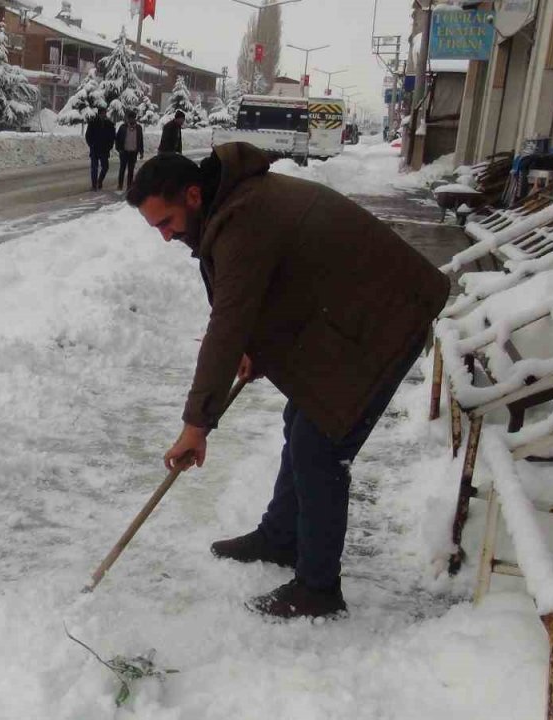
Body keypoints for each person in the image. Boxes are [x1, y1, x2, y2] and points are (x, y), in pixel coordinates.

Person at [124, 144, 449, 620]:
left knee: (320, 446)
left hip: (388, 317)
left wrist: (197, 423)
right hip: (353, 310)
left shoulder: (244, 218)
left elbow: (228, 323)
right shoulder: (233, 207)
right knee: (302, 415)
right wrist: (254, 348)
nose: (166, 237)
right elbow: (263, 292)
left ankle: (318, 589)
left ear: (193, 195)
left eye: (166, 223)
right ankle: (282, 536)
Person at [84, 108, 117, 191]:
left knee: (105, 167)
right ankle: (94, 185)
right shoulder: (93, 123)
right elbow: (88, 135)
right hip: (95, 149)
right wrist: (91, 144)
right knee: (94, 168)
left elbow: (112, 137)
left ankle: (100, 180)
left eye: (104, 113)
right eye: (102, 113)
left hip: (104, 150)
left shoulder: (109, 124)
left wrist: (109, 146)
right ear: (99, 114)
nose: (103, 115)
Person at [115, 111, 144, 191]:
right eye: (130, 118)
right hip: (124, 151)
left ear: (135, 119)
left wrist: (141, 151)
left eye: (133, 118)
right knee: (122, 169)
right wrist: (118, 149)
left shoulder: (138, 128)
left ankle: (129, 186)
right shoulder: (123, 127)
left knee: (131, 170)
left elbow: (140, 140)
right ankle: (120, 185)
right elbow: (117, 139)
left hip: (133, 152)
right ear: (127, 119)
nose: (131, 120)